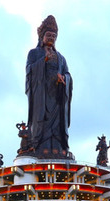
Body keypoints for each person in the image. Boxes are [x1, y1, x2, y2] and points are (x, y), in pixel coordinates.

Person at [25, 15, 73, 157]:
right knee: (42, 121)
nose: (51, 38)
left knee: (58, 124)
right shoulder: (34, 53)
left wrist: (64, 79)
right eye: (49, 35)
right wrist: (43, 61)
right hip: (42, 95)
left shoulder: (61, 58)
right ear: (42, 36)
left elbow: (68, 74)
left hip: (57, 96)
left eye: (54, 36)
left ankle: (59, 148)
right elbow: (29, 71)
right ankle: (40, 147)